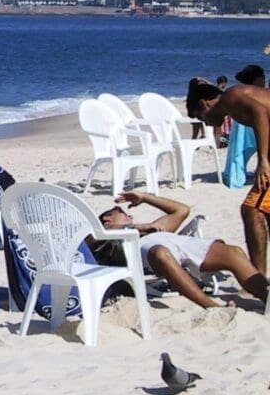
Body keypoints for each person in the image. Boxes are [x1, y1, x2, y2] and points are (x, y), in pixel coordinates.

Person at [93, 191, 268, 309]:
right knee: (161, 253)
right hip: (148, 251)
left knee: (234, 252)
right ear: (107, 219)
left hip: (178, 244)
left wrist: (145, 197)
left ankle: (266, 297)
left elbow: (182, 210)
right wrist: (137, 228)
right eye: (121, 212)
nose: (128, 214)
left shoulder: (154, 228)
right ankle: (212, 306)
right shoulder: (105, 238)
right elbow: (93, 239)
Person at [190, 80, 270, 275]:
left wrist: (263, 160)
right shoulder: (234, 102)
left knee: (252, 210)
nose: (206, 123)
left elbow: (260, 114)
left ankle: (258, 279)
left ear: (204, 104)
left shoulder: (230, 97)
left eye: (201, 117)